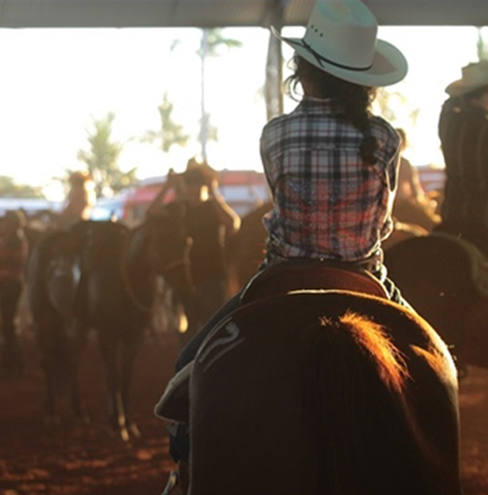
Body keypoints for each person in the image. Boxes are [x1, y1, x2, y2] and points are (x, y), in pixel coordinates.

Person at [159, 0, 408, 492]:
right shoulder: (383, 137)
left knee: (188, 365)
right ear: (364, 79)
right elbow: (384, 223)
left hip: (281, 278)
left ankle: (184, 469)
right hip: (364, 277)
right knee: (435, 358)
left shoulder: (275, 134)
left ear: (303, 69)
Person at [148, 158, 240, 342]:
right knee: (189, 335)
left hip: (212, 277)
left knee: (214, 331)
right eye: (189, 184)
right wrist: (167, 187)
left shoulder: (212, 207)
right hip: (186, 281)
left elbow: (233, 223)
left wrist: (215, 193)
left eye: (197, 184)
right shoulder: (179, 209)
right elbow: (152, 212)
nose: (193, 189)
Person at [436, 60, 488, 254]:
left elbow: (448, 104)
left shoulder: (450, 121)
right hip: (482, 224)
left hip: (453, 217)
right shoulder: (482, 127)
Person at [0, 210, 29, 376]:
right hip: (10, 283)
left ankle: (12, 364)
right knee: (9, 324)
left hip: (9, 283)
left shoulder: (13, 240)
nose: (2, 225)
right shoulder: (15, 238)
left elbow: (7, 260)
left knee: (8, 325)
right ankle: (13, 363)